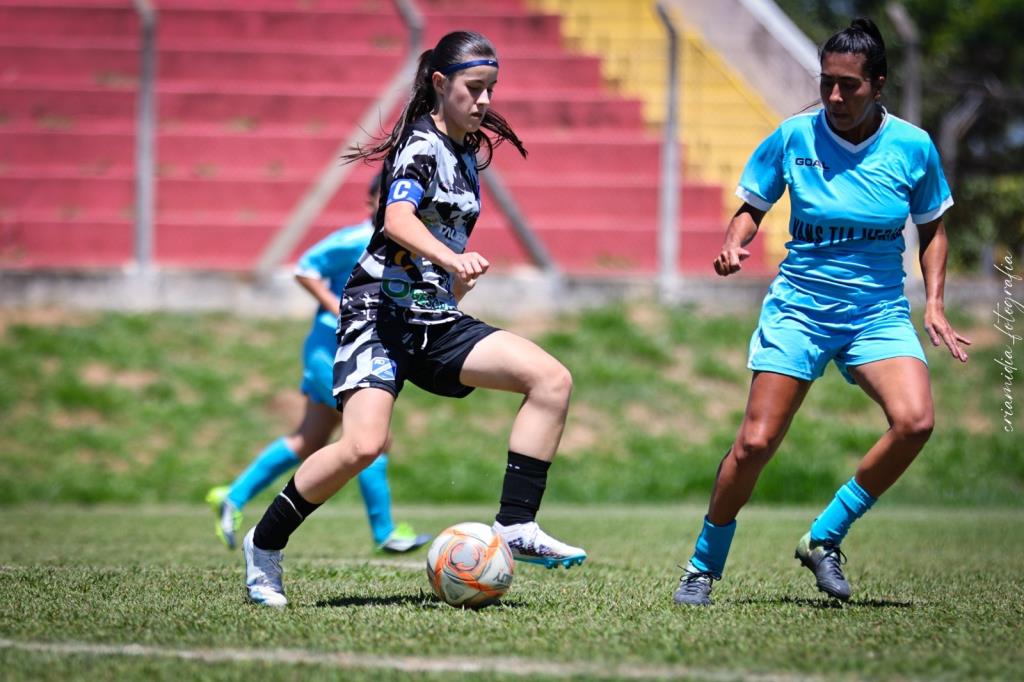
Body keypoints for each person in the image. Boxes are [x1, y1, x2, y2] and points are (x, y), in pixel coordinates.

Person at [241, 30, 587, 607]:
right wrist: (451, 257)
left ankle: (514, 526)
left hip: (433, 317)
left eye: (491, 90)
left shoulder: (468, 158)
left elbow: (437, 240)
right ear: (440, 84)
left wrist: (453, 279)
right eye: (474, 89)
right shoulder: (421, 146)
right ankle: (264, 544)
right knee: (362, 447)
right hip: (377, 314)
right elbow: (397, 219)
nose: (484, 101)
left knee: (551, 380)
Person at [673, 17, 970, 607]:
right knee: (755, 444)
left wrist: (933, 302)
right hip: (800, 310)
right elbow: (751, 206)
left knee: (915, 422)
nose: (833, 96)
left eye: (848, 86)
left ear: (878, 83)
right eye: (826, 83)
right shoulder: (794, 136)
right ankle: (703, 566)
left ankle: (824, 536)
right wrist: (735, 241)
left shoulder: (913, 146)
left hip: (878, 312)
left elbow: (934, 226)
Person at [206, 174, 431, 555]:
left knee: (308, 440)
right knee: (373, 438)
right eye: (386, 199)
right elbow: (305, 268)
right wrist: (339, 309)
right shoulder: (357, 239)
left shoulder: (405, 248)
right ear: (371, 203)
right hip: (332, 350)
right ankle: (385, 532)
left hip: (354, 351)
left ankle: (233, 496)